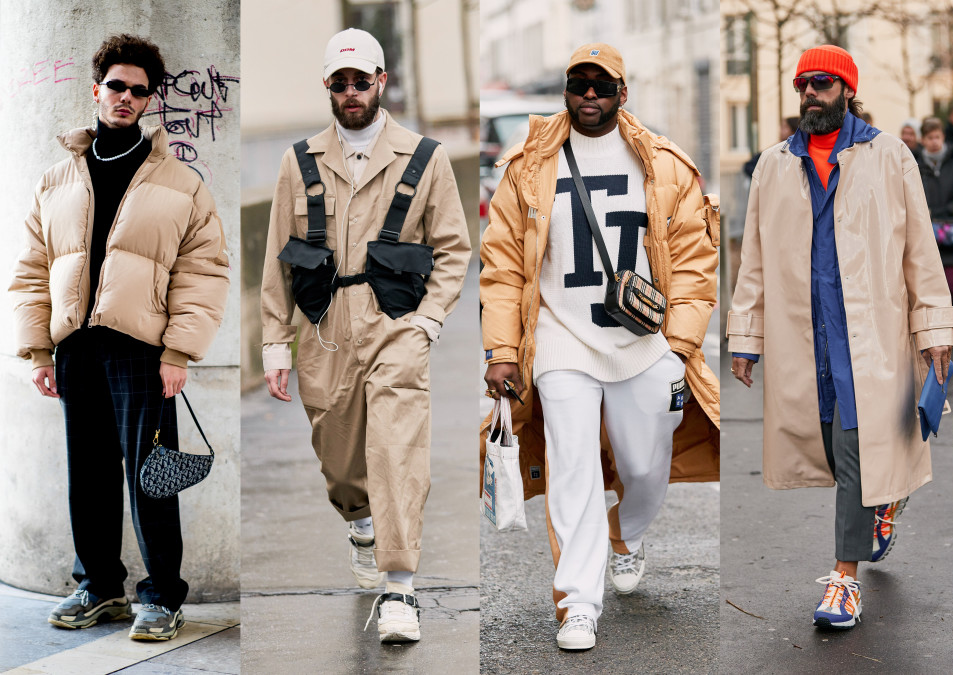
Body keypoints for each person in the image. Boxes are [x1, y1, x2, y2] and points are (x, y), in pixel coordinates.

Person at [480, 42, 720, 651]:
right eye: (578, 83)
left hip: (644, 343)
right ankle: (578, 603)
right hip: (562, 343)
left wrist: (680, 345)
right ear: (565, 89)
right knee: (573, 471)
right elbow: (503, 266)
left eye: (601, 84)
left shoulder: (665, 165)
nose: (589, 94)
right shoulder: (529, 165)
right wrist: (502, 352)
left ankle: (626, 533)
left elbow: (695, 263)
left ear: (622, 91)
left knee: (645, 466)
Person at [727, 44, 953, 631]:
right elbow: (752, 257)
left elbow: (920, 253)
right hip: (805, 338)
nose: (810, 92)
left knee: (855, 452)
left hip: (870, 337)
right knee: (833, 450)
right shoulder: (774, 164)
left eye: (822, 83)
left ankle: (843, 578)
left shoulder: (890, 156)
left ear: (847, 90)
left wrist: (934, 327)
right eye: (803, 83)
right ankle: (884, 503)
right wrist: (745, 335)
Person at [9, 34, 230, 641]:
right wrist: (37, 350)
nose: (126, 97)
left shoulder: (181, 182)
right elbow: (31, 270)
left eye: (139, 90)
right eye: (116, 86)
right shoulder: (57, 179)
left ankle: (161, 595)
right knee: (89, 474)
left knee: (150, 474)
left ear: (150, 98)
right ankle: (99, 585)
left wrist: (180, 351)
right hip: (75, 347)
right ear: (96, 89)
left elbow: (203, 270)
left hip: (142, 350)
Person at [259, 28, 470, 643]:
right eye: (339, 82)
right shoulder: (298, 161)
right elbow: (277, 257)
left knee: (396, 454)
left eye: (362, 80)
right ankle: (358, 520)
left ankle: (400, 588)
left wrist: (428, 321)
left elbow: (455, 248)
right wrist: (277, 342)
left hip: (395, 326)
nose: (351, 92)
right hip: (323, 331)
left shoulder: (425, 158)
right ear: (327, 87)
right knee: (343, 463)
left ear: (383, 81)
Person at [917, 117, 953, 303]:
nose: (934, 141)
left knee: (950, 285)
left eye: (937, 137)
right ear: (923, 140)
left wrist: (947, 210)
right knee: (929, 286)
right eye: (930, 138)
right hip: (926, 232)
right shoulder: (916, 165)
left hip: (951, 232)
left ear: (943, 137)